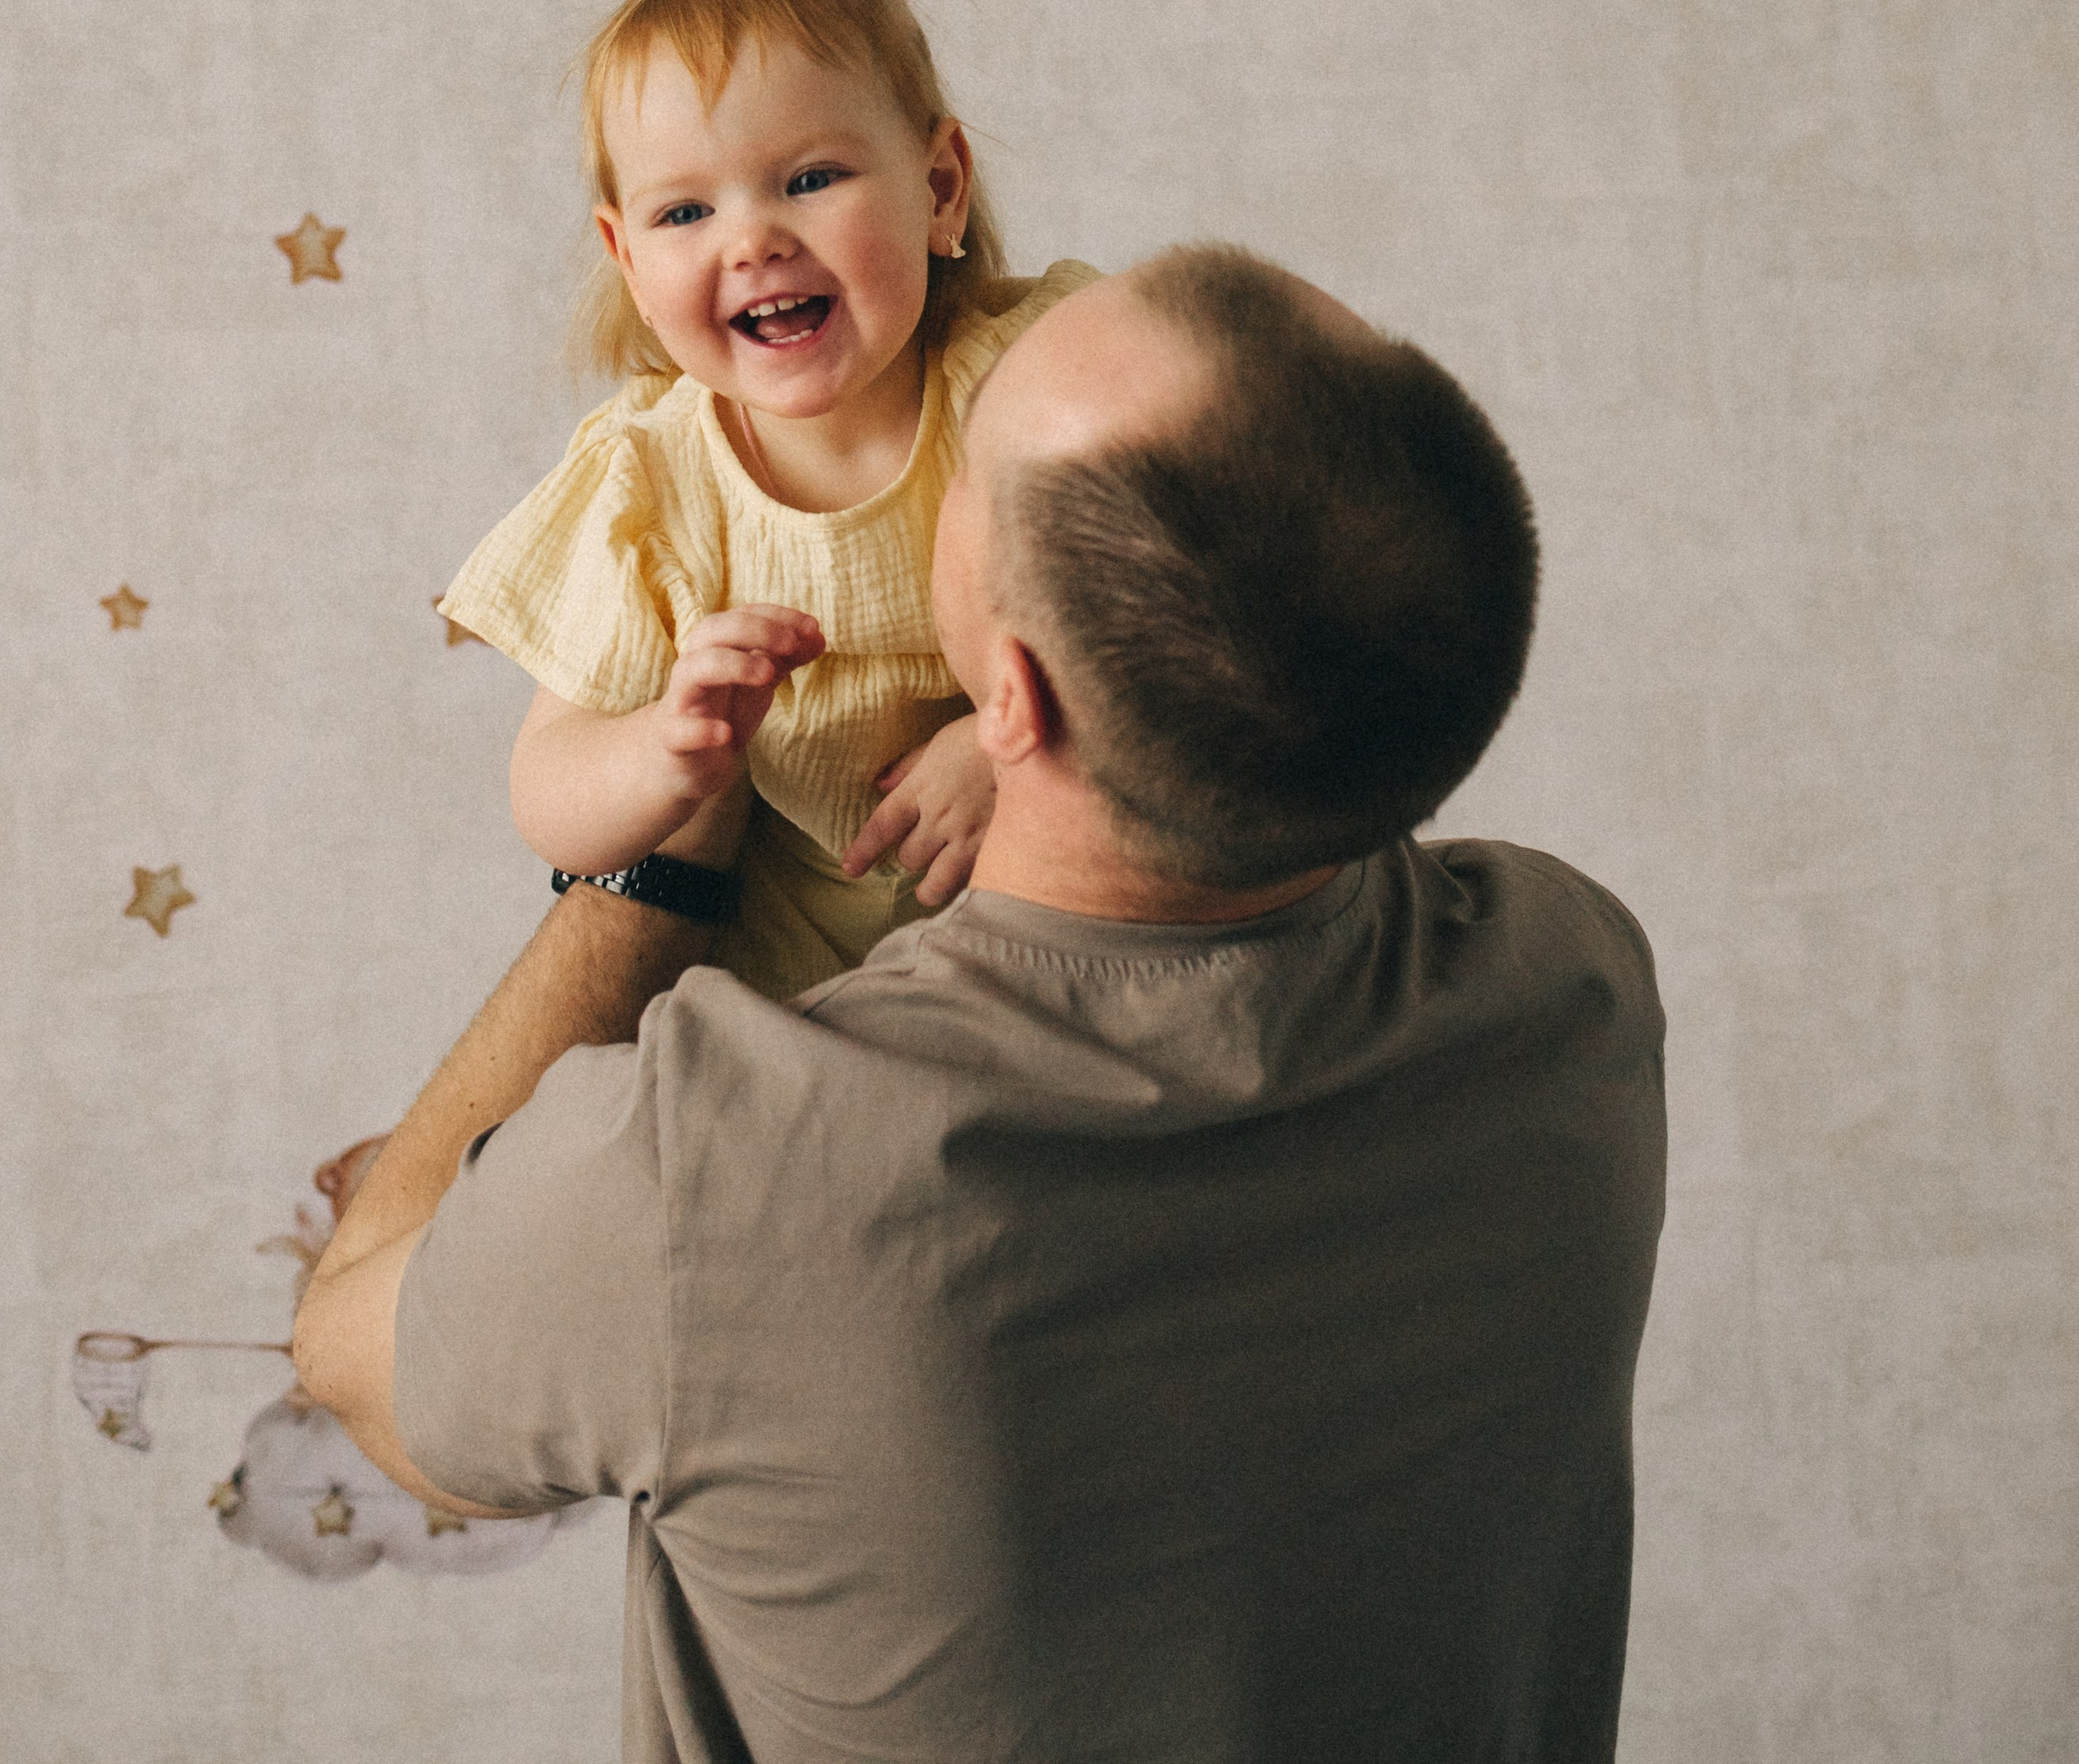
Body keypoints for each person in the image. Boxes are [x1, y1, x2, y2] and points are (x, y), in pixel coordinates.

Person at [299, 248, 1666, 1764]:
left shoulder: (726, 1174)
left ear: (1008, 694)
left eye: (970, 440)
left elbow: (354, 1353)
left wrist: (659, 876)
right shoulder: (1573, 987)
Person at [438, 0, 1094, 999]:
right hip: (796, 994)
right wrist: (662, 753)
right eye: (686, 211)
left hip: (1061, 938)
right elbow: (548, 792)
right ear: (628, 260)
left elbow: (1206, 605)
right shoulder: (653, 482)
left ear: (939, 187)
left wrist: (1005, 746)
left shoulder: (1032, 380)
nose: (751, 241)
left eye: (809, 177)